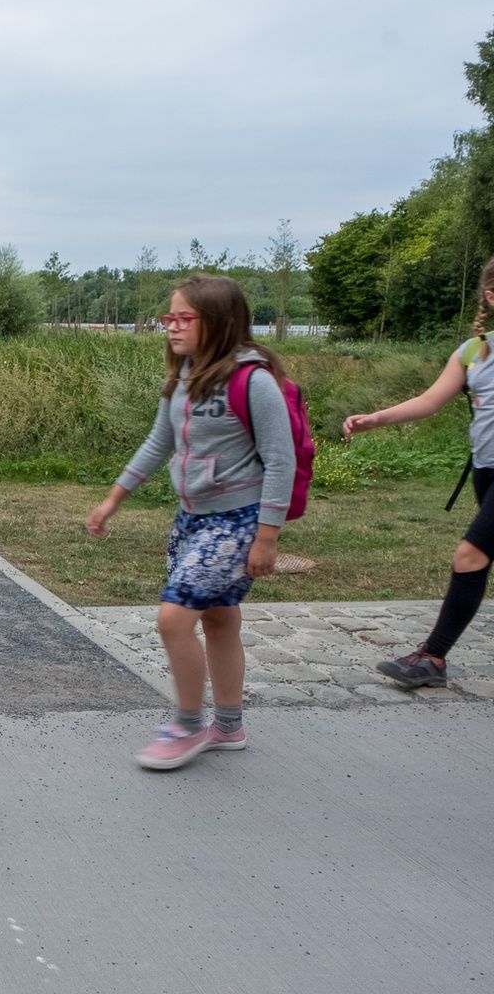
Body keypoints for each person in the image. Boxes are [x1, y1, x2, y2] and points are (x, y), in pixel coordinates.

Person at [86, 273, 296, 771]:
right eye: (170, 317)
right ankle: (228, 726)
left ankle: (186, 725)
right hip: (193, 519)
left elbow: (280, 460)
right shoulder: (183, 376)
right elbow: (158, 443)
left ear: (218, 322)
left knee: (173, 619)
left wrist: (267, 536)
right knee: (219, 617)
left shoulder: (254, 380)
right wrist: (114, 498)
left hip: (238, 521)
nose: (172, 326)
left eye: (185, 318)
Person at [344, 256, 494, 688]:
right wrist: (374, 419)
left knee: (470, 555)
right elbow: (429, 401)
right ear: (491, 296)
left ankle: (432, 658)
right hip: (486, 472)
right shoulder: (472, 353)